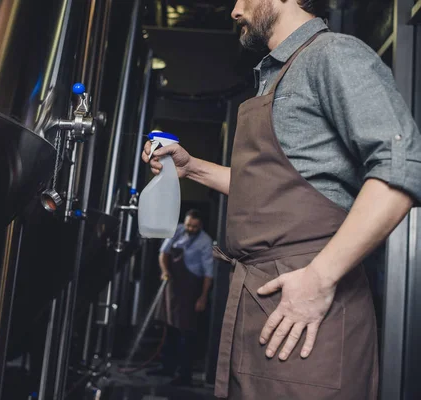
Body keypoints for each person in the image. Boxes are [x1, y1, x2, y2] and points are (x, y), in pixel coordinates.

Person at [142, 0, 421, 399]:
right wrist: (193, 168)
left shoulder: (332, 54)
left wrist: (320, 279)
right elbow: (270, 189)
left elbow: (402, 168)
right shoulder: (275, 77)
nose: (235, 10)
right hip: (259, 302)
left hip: (307, 311)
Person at [148, 209, 213, 387]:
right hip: (173, 285)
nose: (190, 228)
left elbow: (209, 274)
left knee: (187, 332)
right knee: (169, 327)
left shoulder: (205, 242)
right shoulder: (176, 231)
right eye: (188, 225)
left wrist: (203, 297)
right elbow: (163, 253)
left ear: (201, 226)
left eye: (194, 226)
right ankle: (166, 367)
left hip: (191, 288)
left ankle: (184, 375)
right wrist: (165, 271)